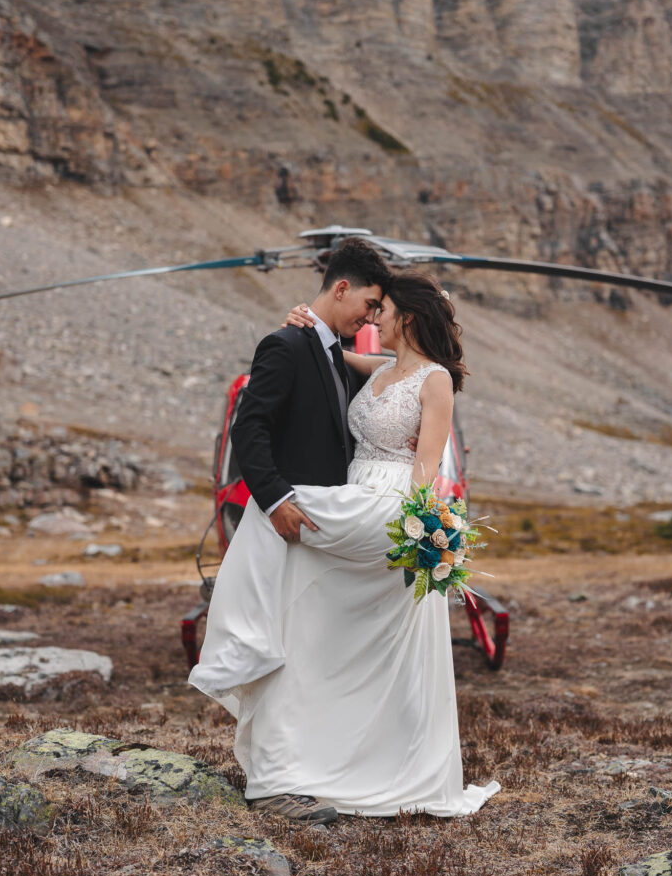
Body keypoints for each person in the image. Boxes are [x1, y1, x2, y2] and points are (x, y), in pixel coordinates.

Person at [189, 257, 500, 824]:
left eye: (384, 311)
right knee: (324, 638)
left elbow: (427, 468)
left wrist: (425, 530)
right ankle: (320, 746)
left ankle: (237, 645)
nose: (374, 317)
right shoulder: (377, 367)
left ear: (408, 319)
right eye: (370, 305)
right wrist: (305, 321)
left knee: (272, 512)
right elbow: (328, 354)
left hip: (386, 507)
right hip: (353, 492)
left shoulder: (435, 379)